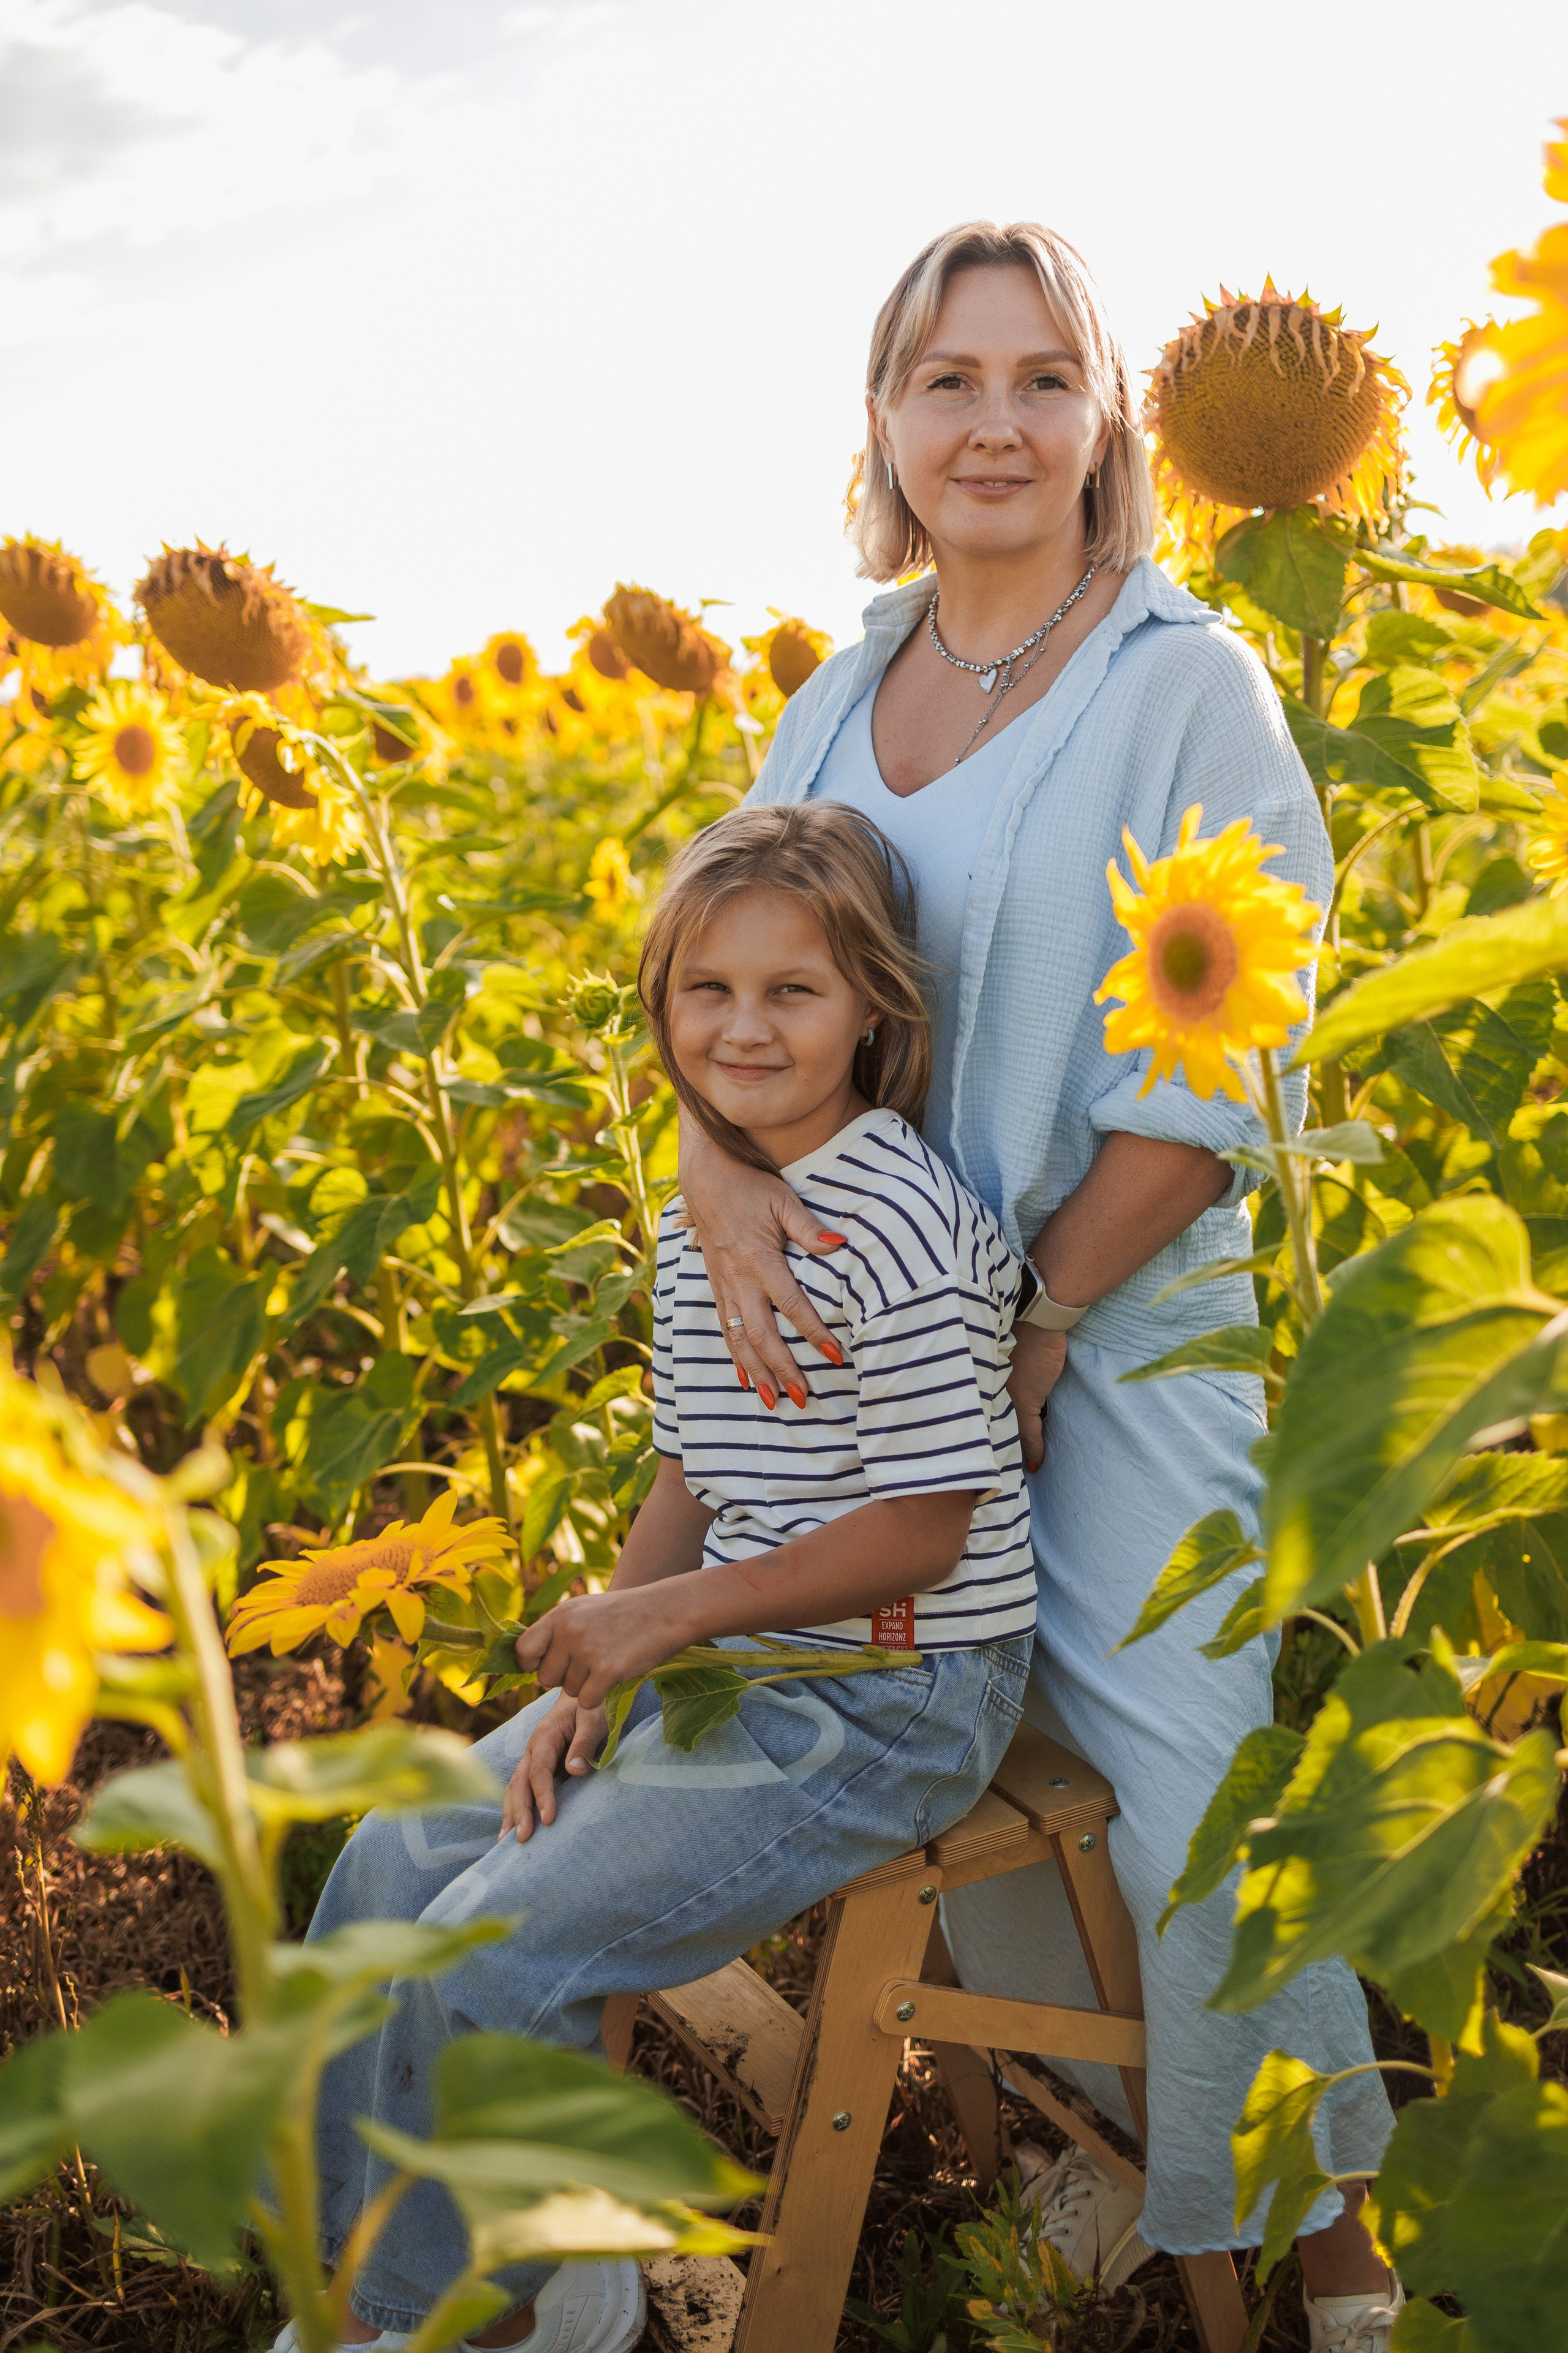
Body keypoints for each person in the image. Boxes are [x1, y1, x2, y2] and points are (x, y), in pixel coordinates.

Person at [674, 223, 1403, 2352]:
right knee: (955, 1756)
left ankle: (1331, 2251)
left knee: (1186, 1784)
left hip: (1126, 1334)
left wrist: (1043, 1315)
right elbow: (735, 991)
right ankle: (1105, 2155)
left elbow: (1221, 1068)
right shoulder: (830, 688)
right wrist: (725, 1186)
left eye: (1039, 379)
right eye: (946, 380)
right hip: (880, 1357)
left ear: (1106, 426)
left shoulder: (1184, 678)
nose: (993, 423)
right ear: (887, 427)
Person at [292, 802, 1035, 2353]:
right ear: (661, 1005)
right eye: (707, 990)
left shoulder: (897, 1226)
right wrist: (602, 1670)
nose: (742, 1028)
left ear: (873, 1008)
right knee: (385, 1864)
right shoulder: (725, 1213)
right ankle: (405, 2290)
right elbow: (694, 1471)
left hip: (890, 1694)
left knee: (495, 1952)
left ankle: (462, 2322)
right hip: (735, 1666)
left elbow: (925, 1529)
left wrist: (662, 1622)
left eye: (792, 991)